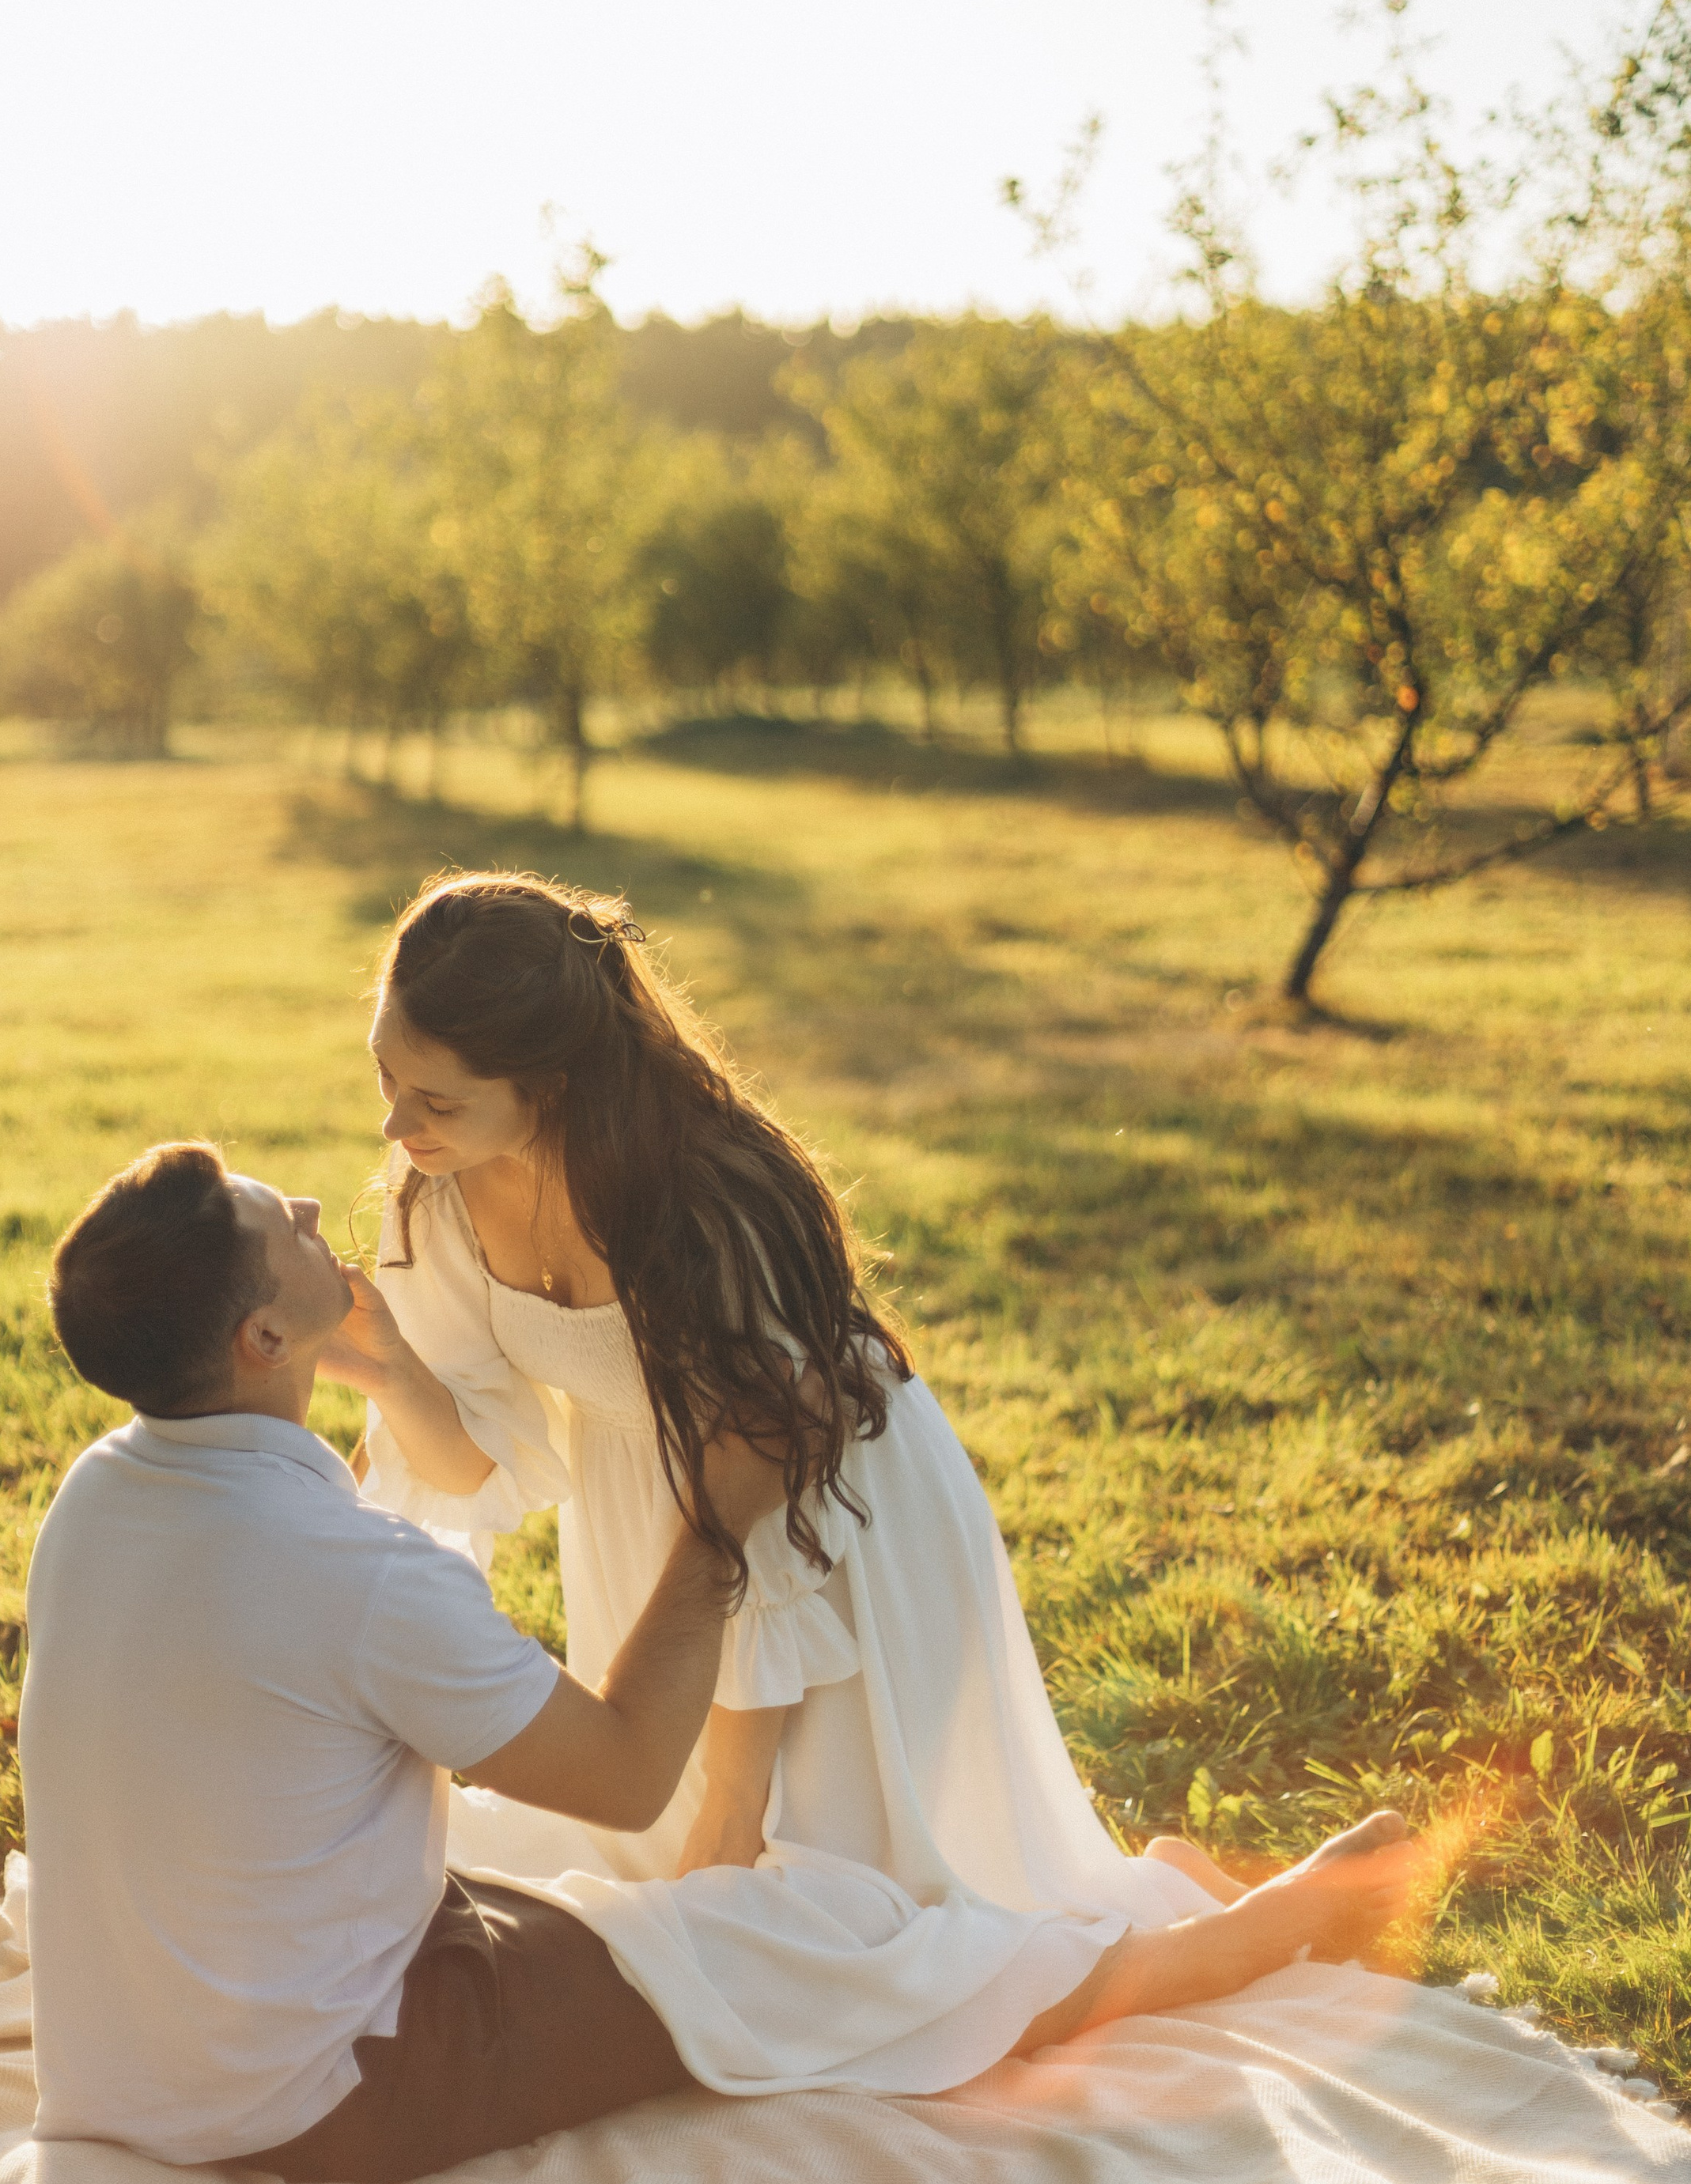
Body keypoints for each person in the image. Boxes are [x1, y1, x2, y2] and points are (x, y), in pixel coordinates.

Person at [22, 1137, 1409, 2184]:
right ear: (265, 1340)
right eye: (285, 1224)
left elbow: (310, 1641)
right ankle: (1257, 1934)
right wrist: (717, 1528)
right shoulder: (352, 1581)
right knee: (818, 1933)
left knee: (588, 1857)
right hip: (331, 2085)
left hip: (128, 2061)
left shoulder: (102, 1490)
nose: (321, 1210)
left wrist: (383, 1377)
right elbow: (624, 1776)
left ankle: (1120, 1906)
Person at [342, 870, 1413, 2089]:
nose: (395, 1123)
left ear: (555, 1083)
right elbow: (485, 1460)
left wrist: (733, 1808)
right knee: (722, 1916)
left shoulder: (704, 1203)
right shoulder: (439, 1183)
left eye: (432, 1094)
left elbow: (765, 1496)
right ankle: (1160, 1899)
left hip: (825, 1536)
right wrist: (390, 1373)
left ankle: (1266, 1921)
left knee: (834, 1930)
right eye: (385, 1074)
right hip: (663, 1560)